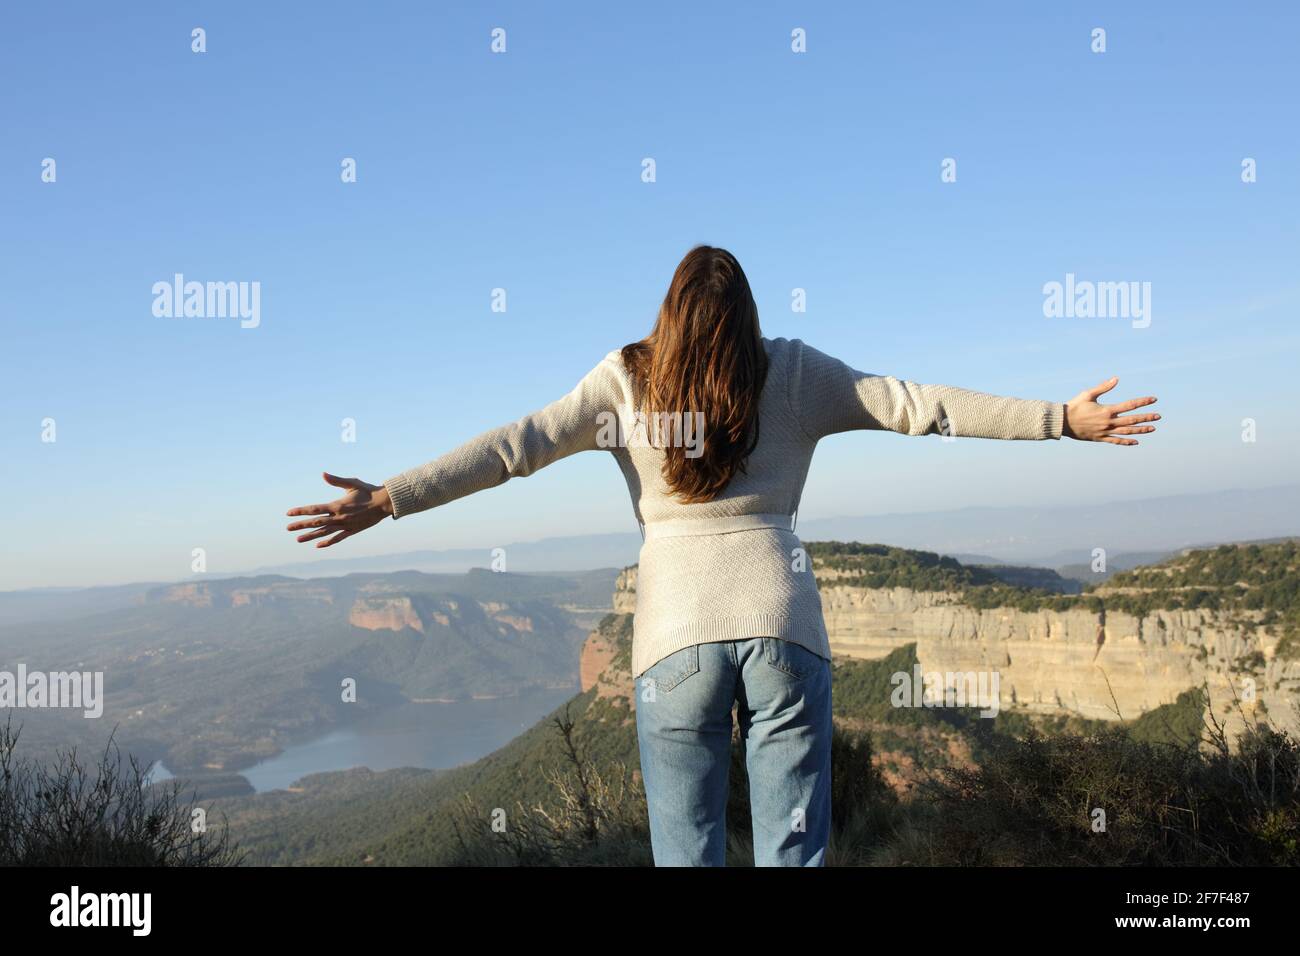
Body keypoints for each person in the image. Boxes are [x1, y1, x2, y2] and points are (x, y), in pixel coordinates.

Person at [285, 245, 1160, 866]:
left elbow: (515, 446)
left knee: (687, 851)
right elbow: (920, 405)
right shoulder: (798, 372)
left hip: (674, 641)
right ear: (748, 315)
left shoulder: (624, 380)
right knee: (795, 851)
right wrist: (1060, 419)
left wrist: (392, 498)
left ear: (667, 313)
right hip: (786, 625)